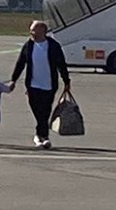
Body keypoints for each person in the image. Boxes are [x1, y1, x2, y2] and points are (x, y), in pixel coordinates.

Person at [10, 19, 71, 150]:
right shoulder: (28, 46)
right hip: (32, 85)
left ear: (43, 30)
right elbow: (21, 63)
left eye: (33, 29)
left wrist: (66, 81)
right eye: (31, 29)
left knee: (46, 110)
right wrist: (13, 80)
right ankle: (42, 135)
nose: (31, 32)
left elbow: (61, 64)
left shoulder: (53, 45)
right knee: (37, 110)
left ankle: (42, 136)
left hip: (49, 85)